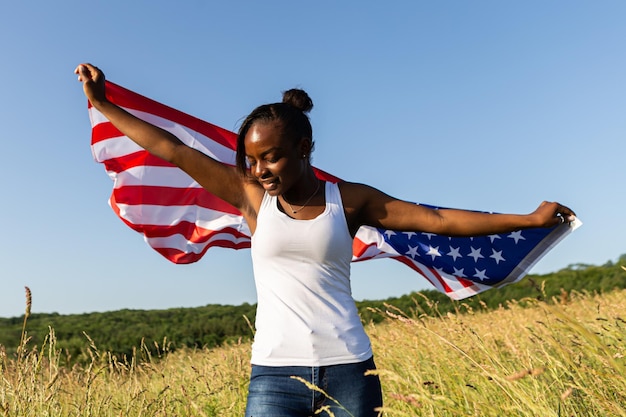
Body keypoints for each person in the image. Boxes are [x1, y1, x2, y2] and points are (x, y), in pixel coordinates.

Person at [75, 63, 575, 417]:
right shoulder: (251, 198)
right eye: (251, 160)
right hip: (273, 373)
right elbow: (173, 149)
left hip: (350, 369)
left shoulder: (349, 200)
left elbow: (436, 219)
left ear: (304, 147)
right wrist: (103, 104)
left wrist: (526, 219)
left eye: (270, 157)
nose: (259, 169)